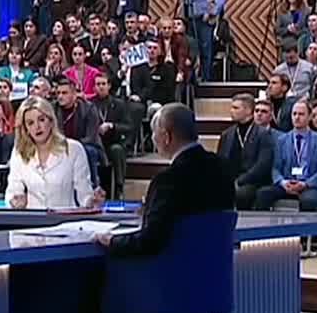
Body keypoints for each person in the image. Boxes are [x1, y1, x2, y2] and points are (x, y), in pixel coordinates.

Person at [95, 102, 232, 254]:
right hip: (215, 262)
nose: (153, 138)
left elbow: (149, 241)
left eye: (154, 133)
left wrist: (112, 241)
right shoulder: (223, 167)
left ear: (166, 137)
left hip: (175, 264)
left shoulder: (168, 180)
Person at [4, 96, 100, 210]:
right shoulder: (19, 152)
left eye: (41, 120)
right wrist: (15, 202)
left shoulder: (73, 149)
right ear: (26, 129)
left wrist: (93, 201)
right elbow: (13, 191)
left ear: (51, 121)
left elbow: (84, 195)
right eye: (30, 123)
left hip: (65, 218)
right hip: (33, 218)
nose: (37, 127)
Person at [257, 101, 317, 212]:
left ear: (310, 117)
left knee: (309, 200)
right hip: (287, 183)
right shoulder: (282, 140)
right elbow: (275, 168)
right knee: (263, 194)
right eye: (294, 114)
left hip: (309, 185)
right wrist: (283, 182)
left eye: (301, 114)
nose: (297, 117)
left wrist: (305, 184)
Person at [216, 94, 275, 210]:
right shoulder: (227, 134)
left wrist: (240, 180)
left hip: (253, 181)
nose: (231, 111)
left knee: (242, 194)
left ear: (248, 111)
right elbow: (220, 161)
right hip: (230, 179)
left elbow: (263, 165)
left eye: (236, 108)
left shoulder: (263, 134)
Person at [92, 72, 132, 198]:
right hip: (96, 143)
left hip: (112, 141)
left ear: (109, 86)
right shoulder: (90, 104)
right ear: (94, 87)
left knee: (117, 149)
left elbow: (128, 126)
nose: (101, 87)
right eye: (98, 84)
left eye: (103, 84)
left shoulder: (119, 104)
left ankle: (119, 186)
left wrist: (112, 126)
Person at [188, 0, 225, 81]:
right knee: (192, 50)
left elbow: (219, 2)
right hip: (191, 20)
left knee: (205, 50)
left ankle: (206, 78)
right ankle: (193, 78)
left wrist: (210, 13)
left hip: (205, 22)